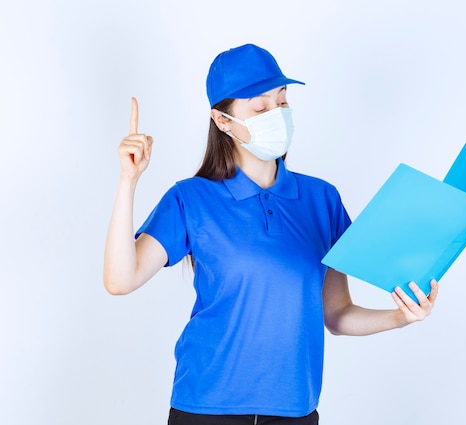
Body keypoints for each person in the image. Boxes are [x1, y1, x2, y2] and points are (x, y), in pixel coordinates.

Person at [104, 43, 438, 425]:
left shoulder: (321, 199)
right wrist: (128, 181)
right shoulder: (190, 199)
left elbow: (337, 314)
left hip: (295, 410)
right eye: (259, 107)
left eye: (281, 102)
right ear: (223, 120)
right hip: (207, 407)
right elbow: (120, 280)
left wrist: (400, 317)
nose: (276, 114)